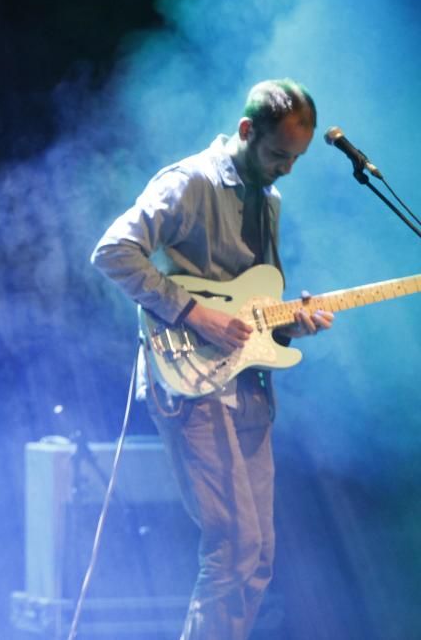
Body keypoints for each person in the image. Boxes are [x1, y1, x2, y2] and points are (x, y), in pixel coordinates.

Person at [91, 79, 334, 640]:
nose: (286, 170)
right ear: (247, 132)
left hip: (247, 385)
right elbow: (113, 252)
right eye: (278, 154)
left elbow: (253, 305)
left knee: (259, 555)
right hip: (191, 384)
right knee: (234, 548)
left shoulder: (269, 200)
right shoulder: (190, 182)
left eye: (295, 158)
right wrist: (196, 316)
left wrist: (290, 325)